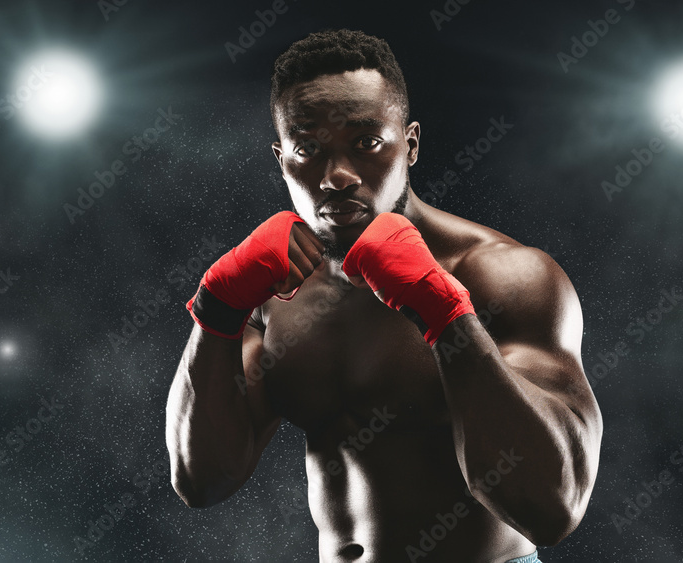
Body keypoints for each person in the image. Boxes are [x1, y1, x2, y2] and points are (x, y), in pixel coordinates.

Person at [165, 29, 602, 563]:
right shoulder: (272, 291)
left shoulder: (505, 277)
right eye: (309, 149)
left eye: (366, 143)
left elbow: (552, 508)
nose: (337, 176)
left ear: (410, 143)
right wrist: (215, 308)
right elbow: (202, 479)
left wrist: (446, 314)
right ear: (283, 159)